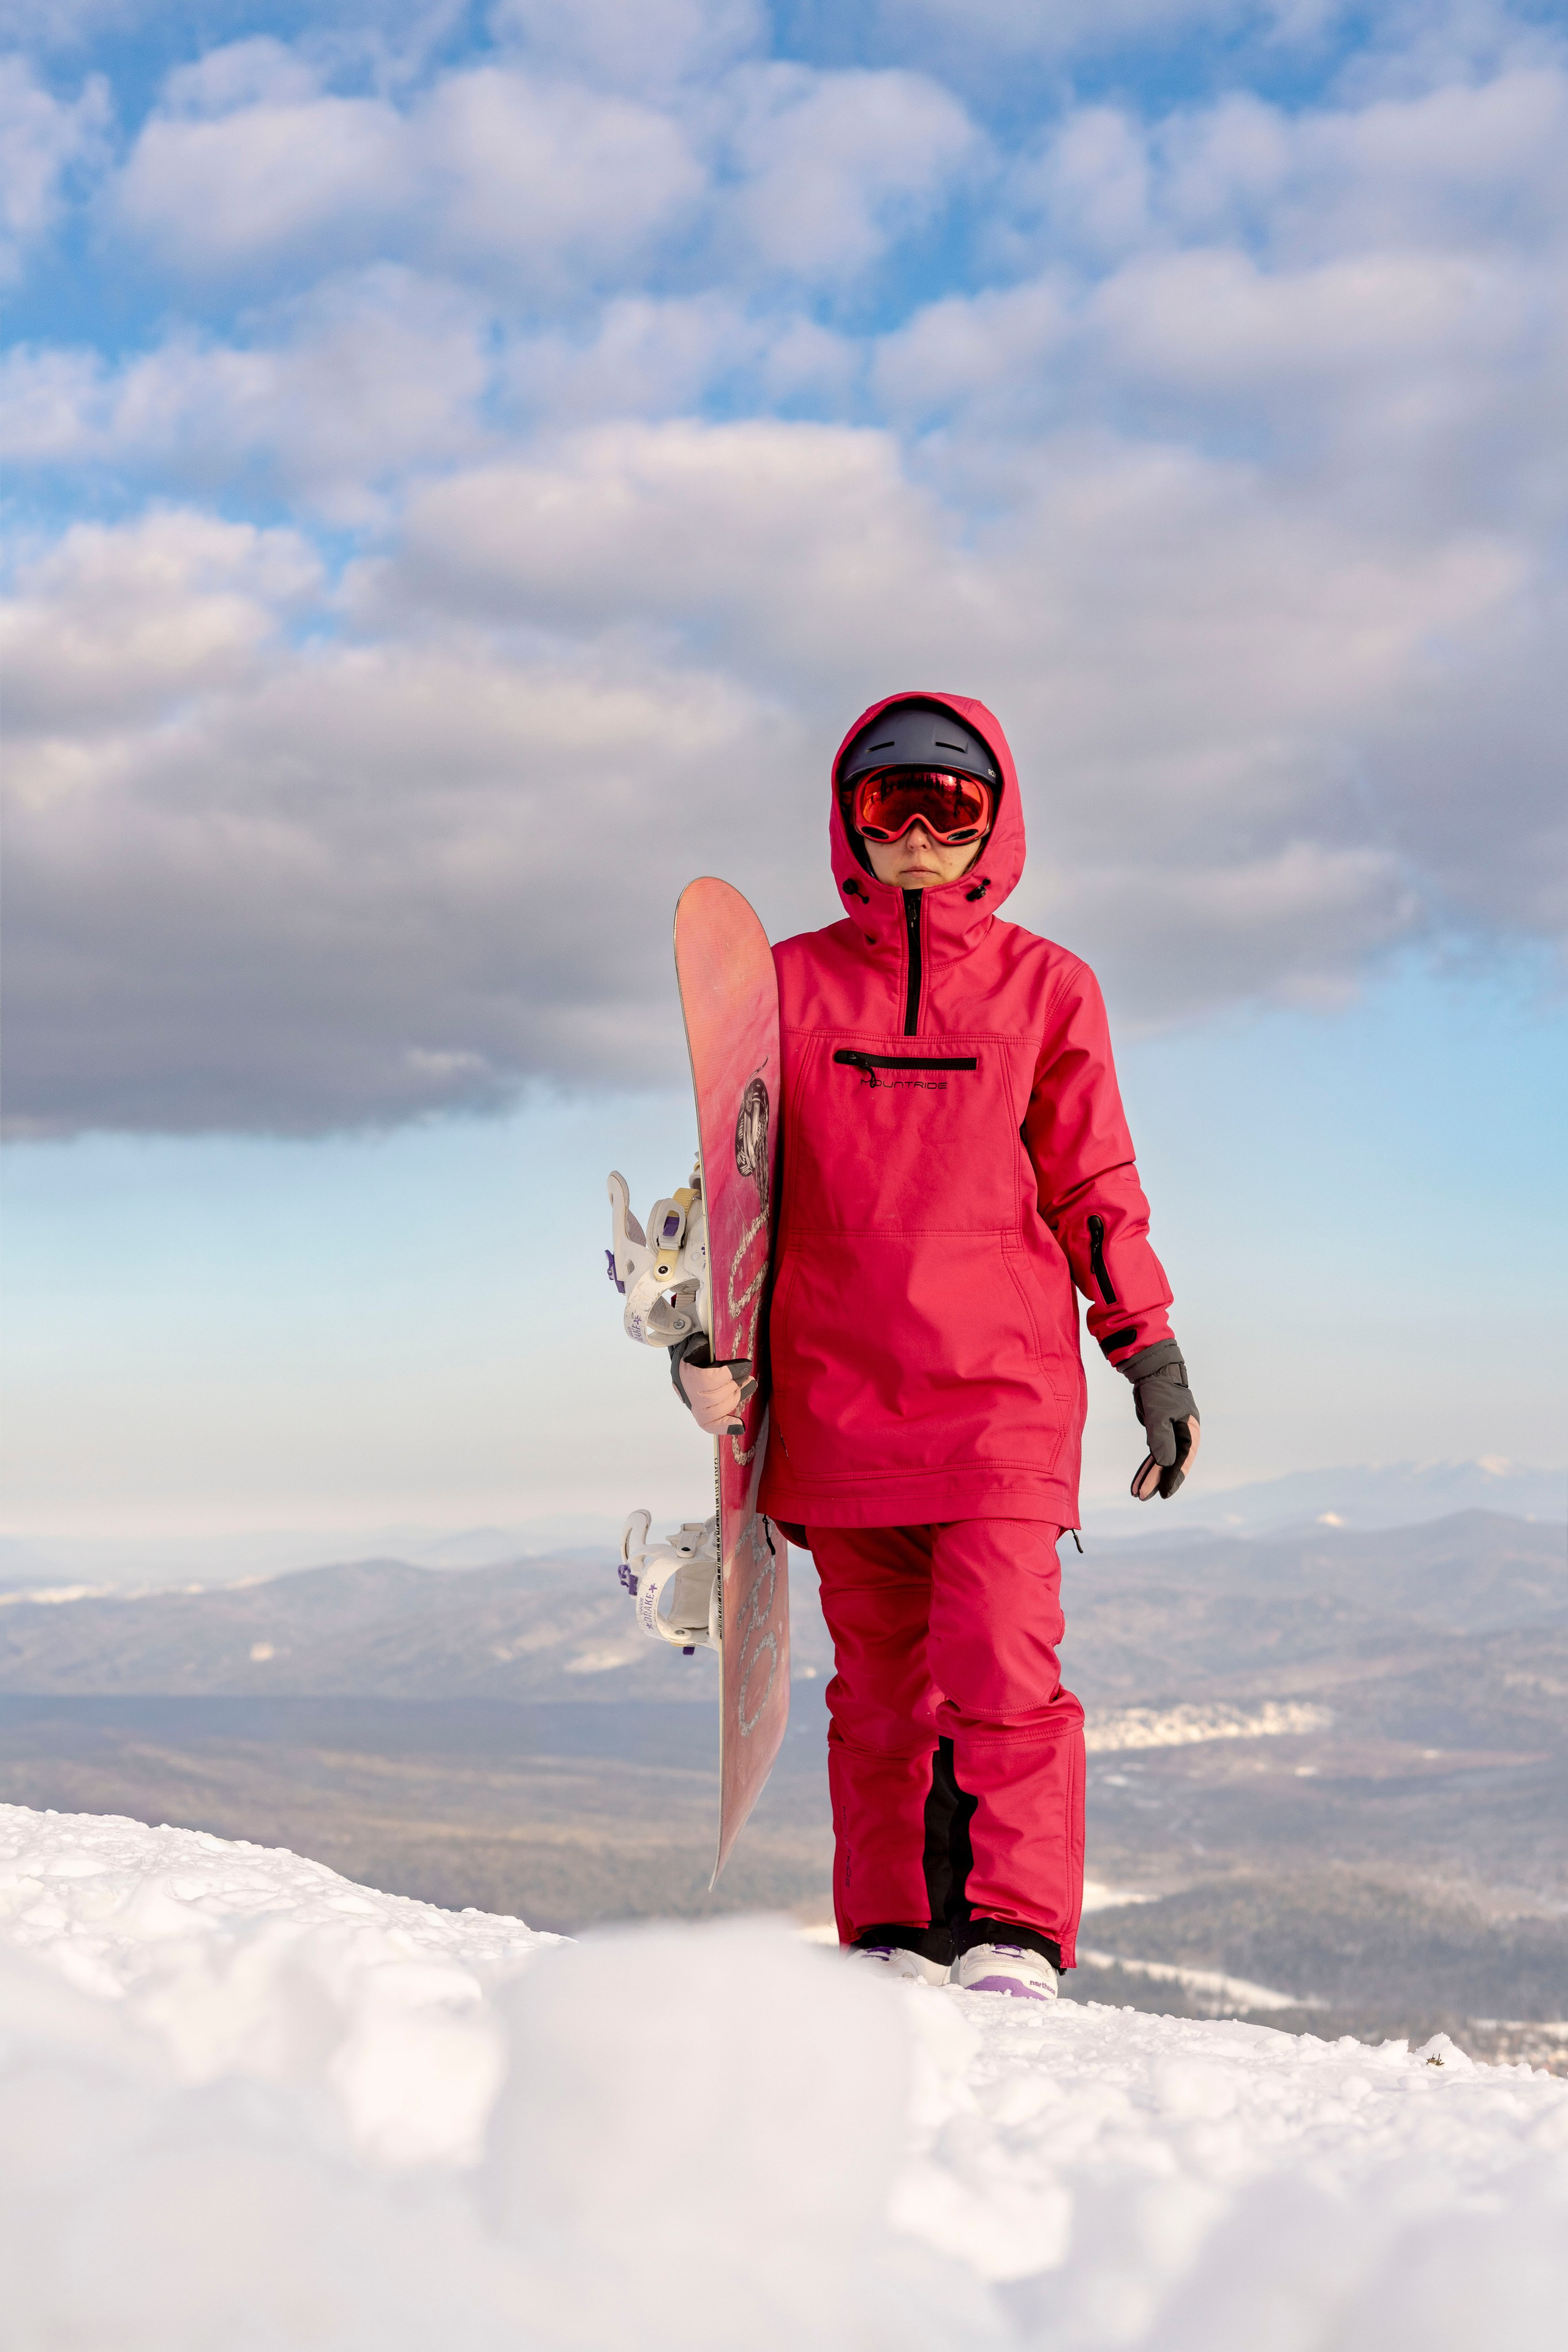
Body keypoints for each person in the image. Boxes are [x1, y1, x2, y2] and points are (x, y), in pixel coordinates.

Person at [677, 693, 1199, 2000]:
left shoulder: (1045, 987)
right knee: (878, 1697)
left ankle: (1013, 1934)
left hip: (999, 1402)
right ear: (846, 824)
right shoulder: (785, 987)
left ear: (995, 820)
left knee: (1003, 1668)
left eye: (948, 806)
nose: (917, 835)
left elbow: (1095, 1186)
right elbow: (728, 1195)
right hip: (839, 1398)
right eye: (885, 805)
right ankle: (895, 1939)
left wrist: (1149, 1355)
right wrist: (700, 1341)